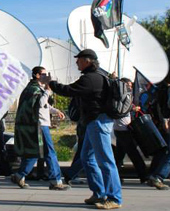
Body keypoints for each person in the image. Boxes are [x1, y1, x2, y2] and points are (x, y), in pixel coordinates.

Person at [44, 50, 121, 209]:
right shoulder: (97, 76)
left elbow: (68, 90)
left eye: (78, 60)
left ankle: (114, 198)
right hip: (94, 122)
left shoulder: (91, 79)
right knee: (87, 158)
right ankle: (99, 193)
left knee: (105, 161)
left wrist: (51, 83)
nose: (77, 63)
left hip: (98, 122)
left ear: (87, 61)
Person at [12, 66, 70, 191]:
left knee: (34, 153)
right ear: (37, 75)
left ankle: (19, 175)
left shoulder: (36, 88)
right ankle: (56, 180)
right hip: (39, 125)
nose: (46, 76)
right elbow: (39, 103)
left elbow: (44, 105)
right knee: (50, 152)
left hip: (39, 124)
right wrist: (48, 90)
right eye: (44, 74)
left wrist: (55, 110)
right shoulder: (33, 89)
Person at [112, 78, 148, 184]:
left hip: (122, 127)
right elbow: (120, 110)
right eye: (128, 85)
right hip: (122, 128)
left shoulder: (124, 95)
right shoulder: (120, 95)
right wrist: (132, 109)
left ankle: (115, 176)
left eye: (131, 85)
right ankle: (144, 175)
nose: (130, 87)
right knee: (133, 153)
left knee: (119, 155)